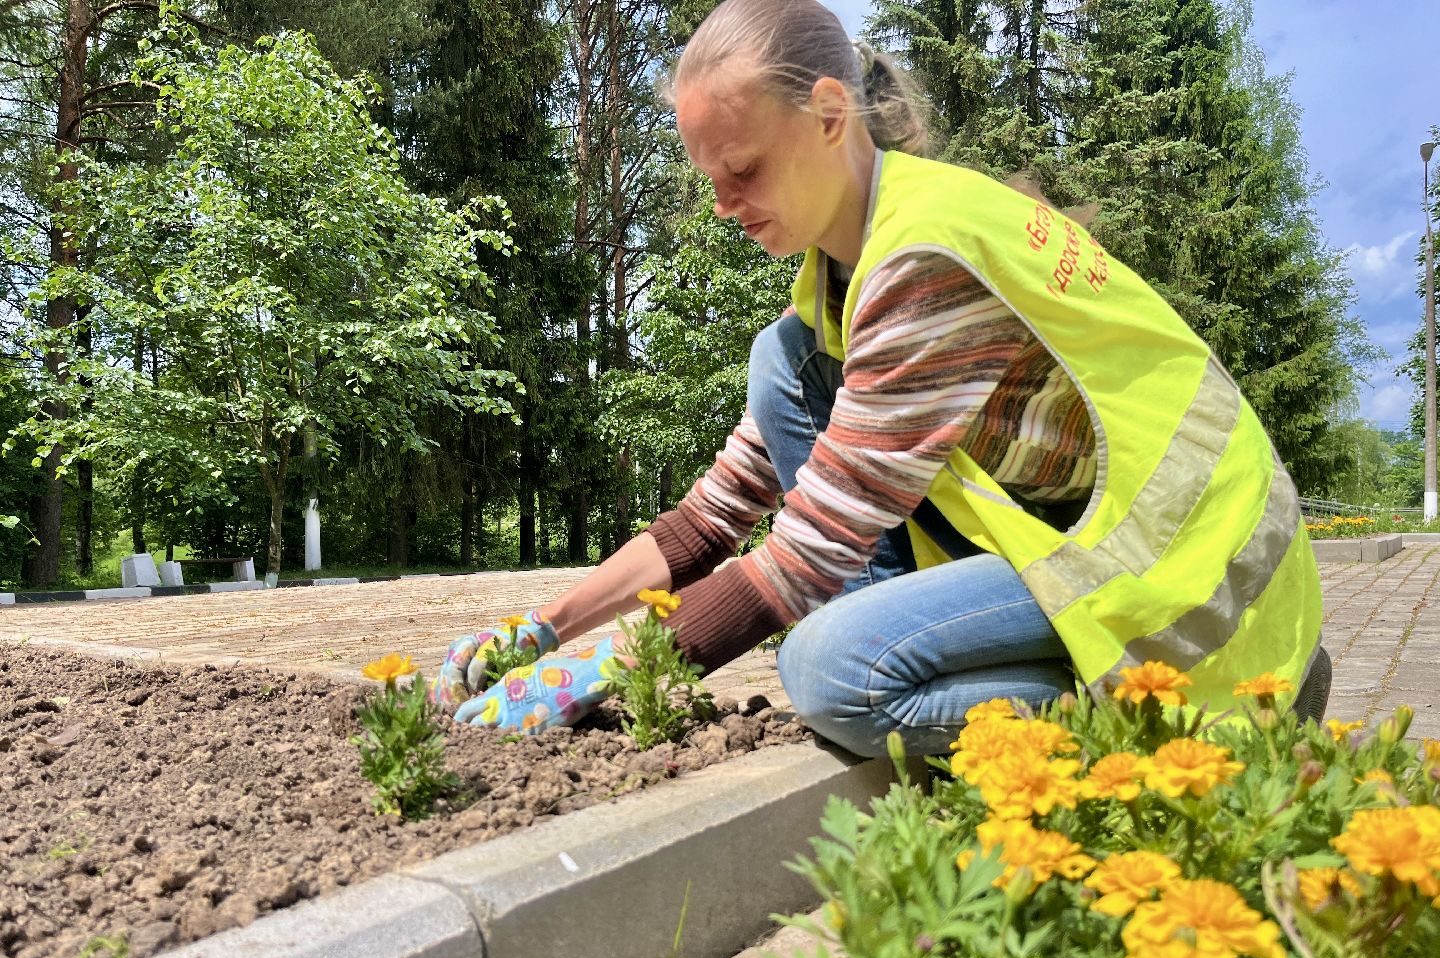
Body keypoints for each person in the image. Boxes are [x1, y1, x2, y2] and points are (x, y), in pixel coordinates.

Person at [429, 0, 1329, 756]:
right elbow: (719, 511)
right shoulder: (835, 282)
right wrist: (546, 629)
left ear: (829, 114)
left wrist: (605, 673)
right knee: (777, 359)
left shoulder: (921, 257)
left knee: (831, 672)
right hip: (1082, 547)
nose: (722, 205)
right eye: (710, 177)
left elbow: (809, 552)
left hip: (1183, 572)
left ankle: (1129, 714)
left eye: (741, 169)